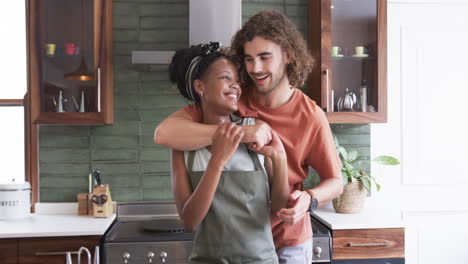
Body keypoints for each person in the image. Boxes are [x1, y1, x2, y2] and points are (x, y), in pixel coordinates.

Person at [155, 11, 343, 263]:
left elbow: (335, 181)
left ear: (287, 55)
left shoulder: (310, 116)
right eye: (248, 59)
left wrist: (309, 199)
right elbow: (165, 133)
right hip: (236, 241)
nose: (255, 69)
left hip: (289, 239)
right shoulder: (232, 99)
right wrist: (242, 132)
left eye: (264, 58)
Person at [166, 42, 290, 263]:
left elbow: (280, 206)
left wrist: (279, 158)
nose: (235, 86)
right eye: (225, 78)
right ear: (200, 86)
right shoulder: (182, 147)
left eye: (236, 80)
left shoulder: (256, 130)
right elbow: (189, 222)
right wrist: (217, 161)